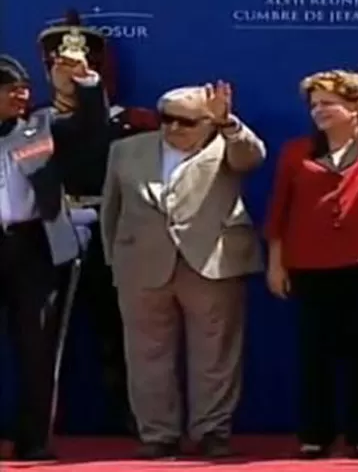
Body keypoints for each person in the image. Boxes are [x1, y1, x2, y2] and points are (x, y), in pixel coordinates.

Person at [100, 82, 265, 460]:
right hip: (140, 267)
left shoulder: (227, 145)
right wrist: (116, 261)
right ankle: (158, 434)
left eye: (186, 122)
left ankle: (212, 431)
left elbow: (252, 158)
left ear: (208, 122)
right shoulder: (125, 150)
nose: (173, 128)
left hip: (211, 262)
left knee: (216, 354)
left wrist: (229, 124)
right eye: (166, 119)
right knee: (145, 354)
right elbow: (111, 210)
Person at [264, 62, 358, 460]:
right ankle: (315, 434)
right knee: (316, 350)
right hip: (310, 262)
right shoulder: (296, 150)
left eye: (329, 103)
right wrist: (276, 263)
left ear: (355, 107)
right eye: (315, 105)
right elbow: (280, 209)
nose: (319, 111)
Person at [37, 11, 160, 435]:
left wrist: (89, 88)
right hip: (53, 230)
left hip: (114, 230)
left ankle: (135, 415)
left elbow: (94, 129)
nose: (69, 70)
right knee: (50, 331)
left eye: (79, 62)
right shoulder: (33, 123)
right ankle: (45, 418)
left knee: (121, 328)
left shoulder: (130, 122)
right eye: (60, 64)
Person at [0, 52, 107, 461]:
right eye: (11, 90)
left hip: (34, 249)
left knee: (38, 349)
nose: (22, 96)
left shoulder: (41, 125)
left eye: (25, 88)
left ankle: (35, 441)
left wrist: (87, 85)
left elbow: (90, 128)